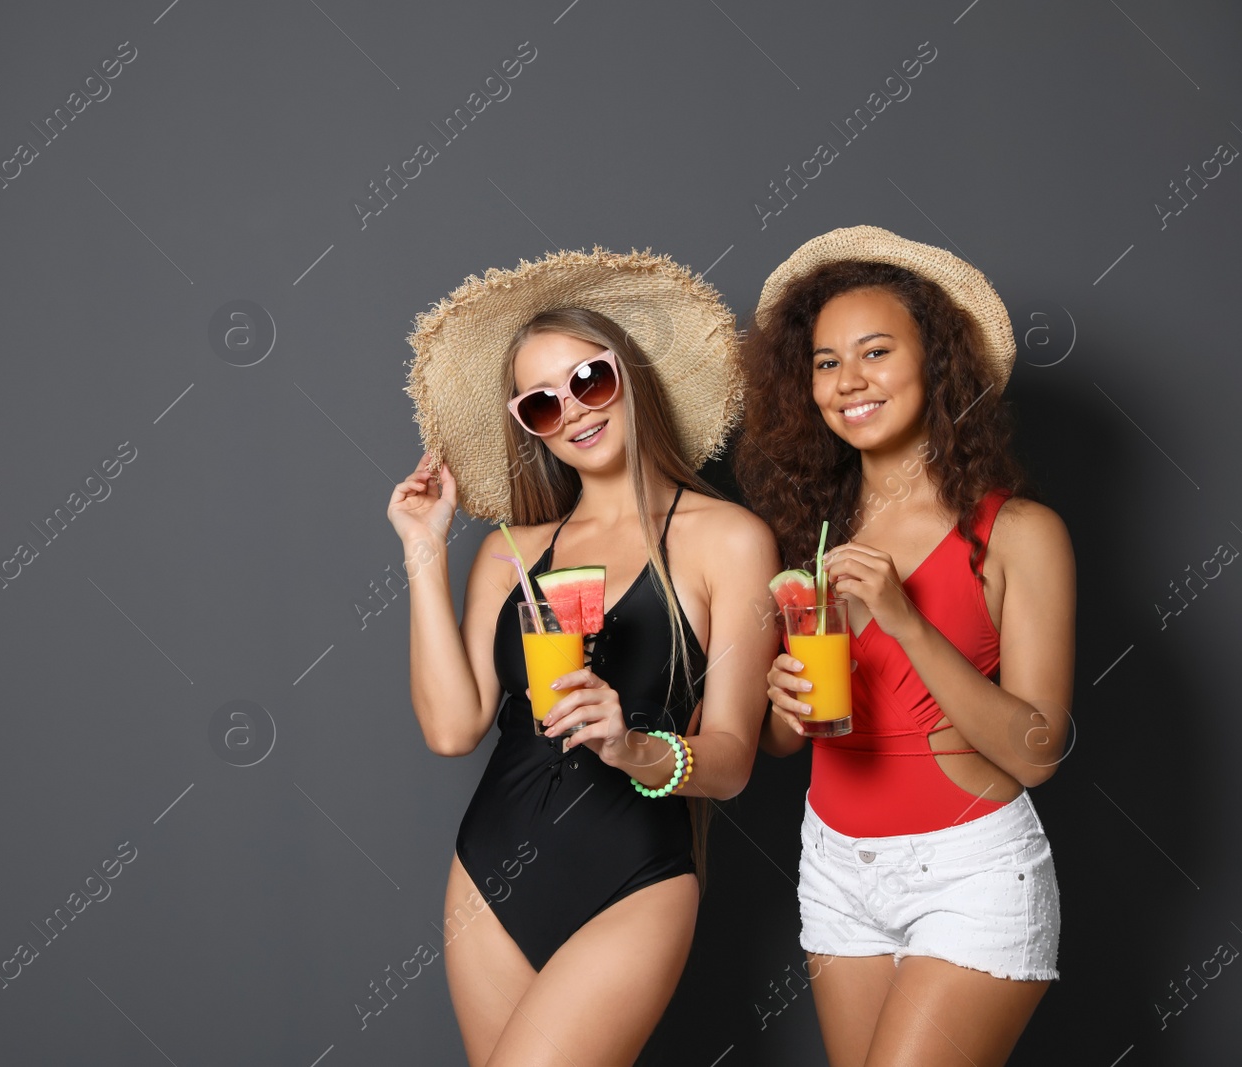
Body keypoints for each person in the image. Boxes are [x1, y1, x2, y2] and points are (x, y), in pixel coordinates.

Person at [389, 247, 779, 1066]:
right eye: (540, 403)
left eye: (589, 380)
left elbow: (735, 759)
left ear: (629, 374)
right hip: (490, 868)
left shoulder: (729, 539)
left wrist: (631, 744)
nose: (572, 410)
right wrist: (425, 553)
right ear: (529, 426)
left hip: (636, 874)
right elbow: (454, 727)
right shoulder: (508, 552)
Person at [736, 225, 1073, 1066]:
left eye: (876, 351)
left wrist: (908, 618)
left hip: (969, 871)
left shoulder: (1019, 533)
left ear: (936, 363)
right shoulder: (810, 537)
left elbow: (1038, 752)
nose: (849, 380)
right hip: (836, 866)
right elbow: (789, 739)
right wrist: (782, 704)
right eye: (824, 362)